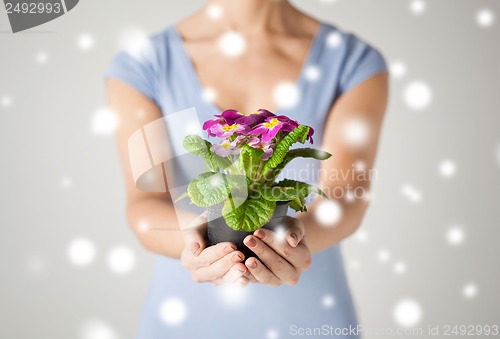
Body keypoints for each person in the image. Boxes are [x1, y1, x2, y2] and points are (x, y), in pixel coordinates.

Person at [106, 0, 388, 338]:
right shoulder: (144, 65)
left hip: (309, 322)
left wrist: (292, 241)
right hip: (186, 324)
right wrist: (197, 242)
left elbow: (346, 197)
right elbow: (144, 205)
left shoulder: (352, 61)